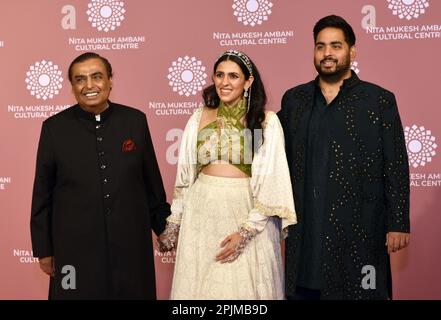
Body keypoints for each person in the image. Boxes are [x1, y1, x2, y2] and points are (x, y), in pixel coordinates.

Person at [278, 15, 410, 300]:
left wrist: (398, 222)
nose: (327, 53)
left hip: (362, 232)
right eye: (320, 46)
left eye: (335, 46)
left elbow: (396, 164)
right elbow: (267, 144)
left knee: (364, 292)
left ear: (352, 51)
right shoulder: (294, 100)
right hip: (306, 232)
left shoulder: (379, 100)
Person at [30, 52, 171, 299]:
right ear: (72, 86)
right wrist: (44, 249)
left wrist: (163, 228)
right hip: (73, 247)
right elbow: (43, 194)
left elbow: (151, 185)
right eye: (80, 79)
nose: (89, 86)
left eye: (97, 77)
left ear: (110, 80)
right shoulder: (54, 128)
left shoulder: (135, 121)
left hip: (131, 244)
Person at [158, 49, 297, 299]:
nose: (225, 82)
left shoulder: (264, 121)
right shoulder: (199, 116)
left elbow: (270, 181)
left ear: (248, 81)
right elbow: (186, 175)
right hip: (201, 215)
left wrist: (245, 232)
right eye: (220, 75)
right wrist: (175, 221)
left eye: (233, 76)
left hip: (246, 214)